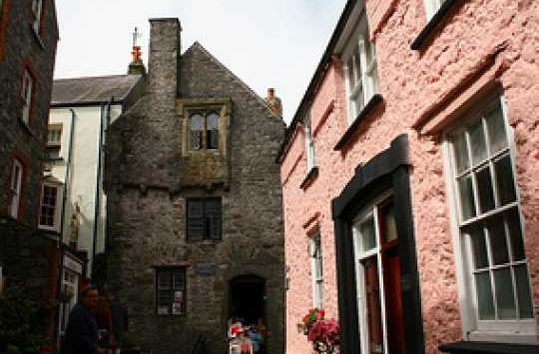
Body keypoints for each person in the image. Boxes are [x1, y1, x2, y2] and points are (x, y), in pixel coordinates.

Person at [62, 286, 104, 354]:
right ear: (83, 298)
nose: (95, 299)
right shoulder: (79, 312)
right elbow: (81, 337)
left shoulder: (89, 310)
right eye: (91, 296)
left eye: (97, 296)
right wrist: (96, 349)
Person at [96, 289, 113, 353]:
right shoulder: (106, 306)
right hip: (104, 331)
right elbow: (109, 321)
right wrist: (111, 333)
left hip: (96, 330)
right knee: (103, 348)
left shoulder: (95, 305)